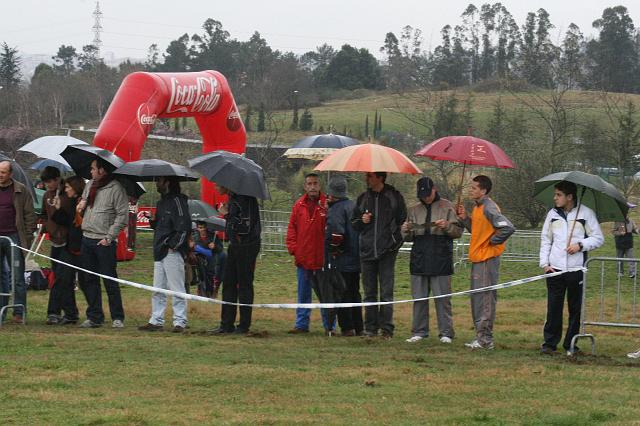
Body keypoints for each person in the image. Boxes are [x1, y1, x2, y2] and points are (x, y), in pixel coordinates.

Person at [539, 180, 604, 356]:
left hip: (576, 270)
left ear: (569, 197)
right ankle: (549, 344)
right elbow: (546, 239)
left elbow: (598, 238)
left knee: (575, 308)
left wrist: (580, 245)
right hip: (555, 269)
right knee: (553, 308)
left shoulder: (586, 213)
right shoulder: (552, 214)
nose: (555, 198)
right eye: (555, 194)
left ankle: (571, 344)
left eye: (558, 195)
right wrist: (545, 264)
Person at [456, 175, 514, 350]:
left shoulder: (489, 207)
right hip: (477, 258)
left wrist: (492, 242)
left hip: (487, 259)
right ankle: (479, 337)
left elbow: (508, 227)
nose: (470, 190)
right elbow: (477, 230)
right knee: (477, 299)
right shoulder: (477, 208)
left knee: (486, 299)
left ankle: (485, 340)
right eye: (471, 187)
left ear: (483, 190)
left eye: (474, 188)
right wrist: (465, 218)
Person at [402, 177, 462, 344]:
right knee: (419, 298)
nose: (425, 197)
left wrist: (447, 226)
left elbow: (458, 232)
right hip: (419, 258)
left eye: (428, 194)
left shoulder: (447, 206)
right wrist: (405, 230)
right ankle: (419, 332)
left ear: (434, 189)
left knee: (443, 299)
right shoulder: (413, 209)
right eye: (422, 195)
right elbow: (407, 237)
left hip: (441, 257)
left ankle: (446, 333)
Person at [352, 171, 407, 339]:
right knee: (369, 292)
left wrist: (394, 245)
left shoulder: (394, 197)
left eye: (370, 176)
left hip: (387, 252)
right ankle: (370, 328)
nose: (366, 178)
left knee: (386, 292)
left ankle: (387, 329)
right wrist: (362, 221)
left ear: (380, 177)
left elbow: (402, 222)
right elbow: (354, 223)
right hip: (367, 252)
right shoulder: (362, 198)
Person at [76, 158, 128, 328]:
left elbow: (122, 216)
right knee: (89, 280)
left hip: (103, 241)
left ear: (102, 170)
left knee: (109, 279)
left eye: (93, 169)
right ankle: (94, 316)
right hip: (87, 238)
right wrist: (81, 204)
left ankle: (117, 317)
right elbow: (84, 206)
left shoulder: (116, 188)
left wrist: (109, 237)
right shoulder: (90, 185)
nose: (90, 172)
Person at [139, 176, 191, 333]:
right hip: (159, 251)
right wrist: (152, 221)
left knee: (177, 288)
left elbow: (184, 227)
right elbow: (162, 227)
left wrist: (173, 246)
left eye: (159, 180)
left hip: (171, 252)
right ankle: (156, 320)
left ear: (167, 182)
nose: (156, 183)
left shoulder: (178, 202)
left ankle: (180, 321)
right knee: (157, 288)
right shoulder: (161, 203)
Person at [209, 186, 261, 334]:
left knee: (244, 285)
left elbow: (245, 227)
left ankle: (244, 326)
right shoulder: (232, 197)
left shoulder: (245, 198)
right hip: (235, 245)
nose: (216, 187)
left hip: (247, 245)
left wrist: (227, 215)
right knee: (228, 283)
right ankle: (226, 324)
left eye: (218, 184)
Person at [286, 173, 328, 334]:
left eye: (315, 183)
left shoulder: (326, 204)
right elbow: (292, 229)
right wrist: (294, 249)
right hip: (303, 259)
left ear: (320, 185)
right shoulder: (298, 206)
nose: (312, 186)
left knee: (325, 294)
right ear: (305, 186)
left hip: (321, 259)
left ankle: (329, 324)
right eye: (309, 183)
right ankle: (301, 324)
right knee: (303, 293)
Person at [322, 175, 363, 336]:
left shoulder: (336, 210)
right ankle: (359, 326)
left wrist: (333, 250)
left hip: (341, 259)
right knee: (355, 292)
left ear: (331, 193)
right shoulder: (354, 205)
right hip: (356, 258)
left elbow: (337, 234)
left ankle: (347, 327)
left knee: (342, 293)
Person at [0, 160, 36, 323]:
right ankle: (2, 310)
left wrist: (26, 239)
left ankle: (19, 312)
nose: (0, 175)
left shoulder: (21, 190)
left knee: (17, 276)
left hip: (14, 238)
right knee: (1, 276)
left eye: (3, 172)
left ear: (10, 174)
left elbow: (30, 216)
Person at [47, 175, 86, 325]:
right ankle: (70, 314)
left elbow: (80, 224)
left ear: (75, 187)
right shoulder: (71, 201)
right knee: (63, 279)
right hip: (70, 246)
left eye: (69, 187)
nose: (66, 189)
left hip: (81, 247)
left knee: (86, 282)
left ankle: (94, 314)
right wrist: (58, 209)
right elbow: (68, 221)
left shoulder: (83, 202)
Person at [38, 166, 73, 325]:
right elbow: (45, 214)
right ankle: (70, 313)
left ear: (57, 179)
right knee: (58, 277)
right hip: (54, 240)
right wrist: (45, 225)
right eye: (45, 183)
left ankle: (54, 312)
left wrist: (60, 208)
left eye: (50, 182)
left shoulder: (68, 194)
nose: (47, 185)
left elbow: (70, 218)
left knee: (62, 278)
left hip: (67, 241)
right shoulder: (46, 195)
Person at [191, 221, 225, 298]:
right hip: (199, 261)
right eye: (199, 228)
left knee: (211, 276)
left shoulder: (213, 236)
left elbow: (220, 249)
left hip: (211, 260)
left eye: (202, 228)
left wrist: (214, 246)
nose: (201, 230)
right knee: (201, 276)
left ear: (206, 227)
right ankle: (201, 292)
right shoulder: (194, 236)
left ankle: (211, 292)